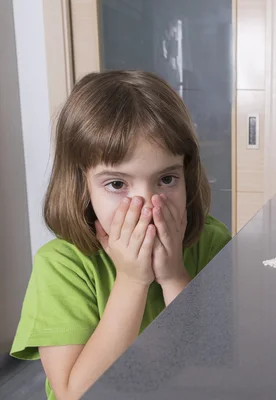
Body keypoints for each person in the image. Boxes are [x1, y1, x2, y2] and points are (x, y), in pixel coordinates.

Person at [9, 70, 232, 400]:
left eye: (167, 180)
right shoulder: (61, 266)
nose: (145, 206)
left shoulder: (211, 242)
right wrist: (132, 280)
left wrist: (173, 277)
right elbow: (74, 393)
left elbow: (219, 364)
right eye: (117, 184)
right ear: (81, 184)